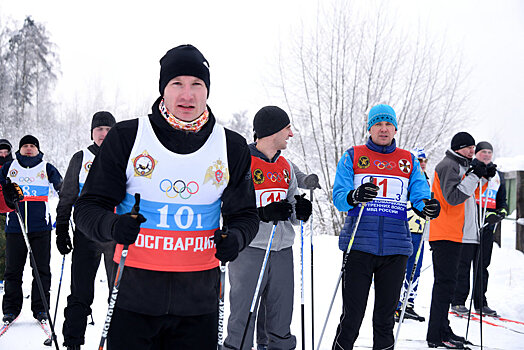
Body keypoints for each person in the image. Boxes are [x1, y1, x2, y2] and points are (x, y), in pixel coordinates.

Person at [74, 44, 259, 350]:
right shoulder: (128, 136)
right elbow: (88, 208)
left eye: (196, 85)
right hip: (133, 299)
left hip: (199, 305)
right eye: (177, 84)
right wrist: (112, 225)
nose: (187, 95)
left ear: (207, 90)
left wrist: (236, 238)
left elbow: (245, 216)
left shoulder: (231, 146)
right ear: (163, 89)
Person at [331, 104, 437, 350]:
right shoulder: (353, 155)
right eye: (378, 124)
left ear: (395, 128)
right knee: (351, 319)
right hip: (359, 245)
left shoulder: (407, 159)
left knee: (385, 320)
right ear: (369, 128)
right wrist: (355, 195)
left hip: (396, 248)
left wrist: (425, 206)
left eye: (388, 124)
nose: (383, 129)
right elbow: (339, 195)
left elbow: (420, 193)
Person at [224, 105, 312, 350]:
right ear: (272, 131)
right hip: (250, 249)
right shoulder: (243, 163)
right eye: (287, 128)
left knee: (281, 317)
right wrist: (261, 214)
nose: (290, 134)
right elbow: (228, 207)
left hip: (282, 250)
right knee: (244, 316)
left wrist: (299, 211)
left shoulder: (285, 166)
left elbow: (292, 206)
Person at [56, 111, 117, 350]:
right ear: (92, 133)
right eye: (99, 130)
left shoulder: (123, 156)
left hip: (115, 234)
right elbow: (68, 194)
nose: (103, 134)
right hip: (86, 234)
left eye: (108, 130)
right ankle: (73, 342)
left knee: (119, 293)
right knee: (80, 292)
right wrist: (62, 227)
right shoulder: (81, 157)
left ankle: (119, 340)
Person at [427, 132, 486, 349]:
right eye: (468, 147)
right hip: (444, 233)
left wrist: (481, 175)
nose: (472, 150)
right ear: (457, 148)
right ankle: (436, 334)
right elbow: (453, 198)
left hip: (455, 233)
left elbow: (471, 196)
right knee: (444, 285)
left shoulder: (459, 165)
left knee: (448, 285)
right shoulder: (448, 165)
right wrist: (473, 176)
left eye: (473, 147)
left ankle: (442, 328)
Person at [255, 162, 320, 350]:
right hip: (253, 243)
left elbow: (297, 177)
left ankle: (265, 343)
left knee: (276, 305)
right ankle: (253, 342)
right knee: (252, 304)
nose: (288, 135)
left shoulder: (284, 162)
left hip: (281, 243)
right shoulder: (246, 157)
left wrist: (307, 183)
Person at [0, 135, 62, 323]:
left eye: (32, 146)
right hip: (15, 227)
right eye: (25, 145)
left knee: (41, 269)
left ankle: (41, 309)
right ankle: (11, 309)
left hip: (40, 228)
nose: (29, 148)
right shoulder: (9, 167)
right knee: (13, 270)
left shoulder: (46, 168)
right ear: (19, 149)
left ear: (38, 149)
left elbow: (63, 189)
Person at [451, 141, 507, 317]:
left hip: (488, 224)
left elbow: (502, 199)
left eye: (490, 152)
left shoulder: (496, 174)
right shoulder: (471, 169)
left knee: (482, 265)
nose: (487, 155)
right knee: (464, 264)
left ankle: (480, 303)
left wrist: (501, 212)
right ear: (477, 154)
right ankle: (458, 301)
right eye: (483, 151)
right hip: (470, 222)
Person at [395, 147, 430, 323]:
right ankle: (396, 304)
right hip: (405, 228)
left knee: (415, 269)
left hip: (420, 230)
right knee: (400, 267)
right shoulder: (408, 178)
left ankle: (408, 304)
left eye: (424, 161)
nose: (422, 164)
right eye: (419, 161)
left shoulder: (426, 180)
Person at [0, 139, 14, 293]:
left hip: (11, 211)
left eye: (6, 152)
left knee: (9, 246)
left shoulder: (13, 167)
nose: (3, 155)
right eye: (1, 152)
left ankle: (6, 277)